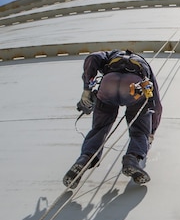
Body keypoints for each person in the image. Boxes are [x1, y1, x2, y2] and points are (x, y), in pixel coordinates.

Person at [63, 49, 163, 188]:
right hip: (134, 86)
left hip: (108, 84)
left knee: (99, 128)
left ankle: (84, 159)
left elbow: (92, 57)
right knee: (139, 132)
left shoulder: (110, 56)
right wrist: (152, 131)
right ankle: (132, 159)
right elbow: (156, 103)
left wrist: (86, 90)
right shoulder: (143, 64)